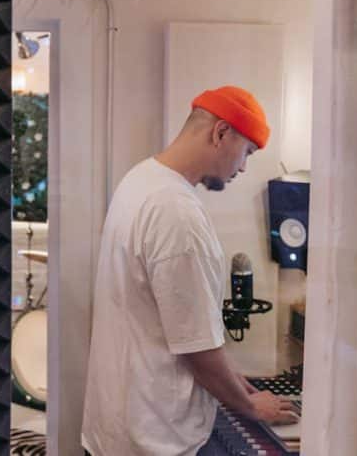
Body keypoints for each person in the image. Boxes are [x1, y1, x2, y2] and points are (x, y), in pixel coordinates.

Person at [81, 86, 299, 456]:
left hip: (118, 429)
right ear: (221, 133)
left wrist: (235, 382)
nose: (243, 167)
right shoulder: (176, 212)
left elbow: (170, 322)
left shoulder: (140, 180)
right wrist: (250, 406)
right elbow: (196, 347)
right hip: (158, 440)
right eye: (247, 152)